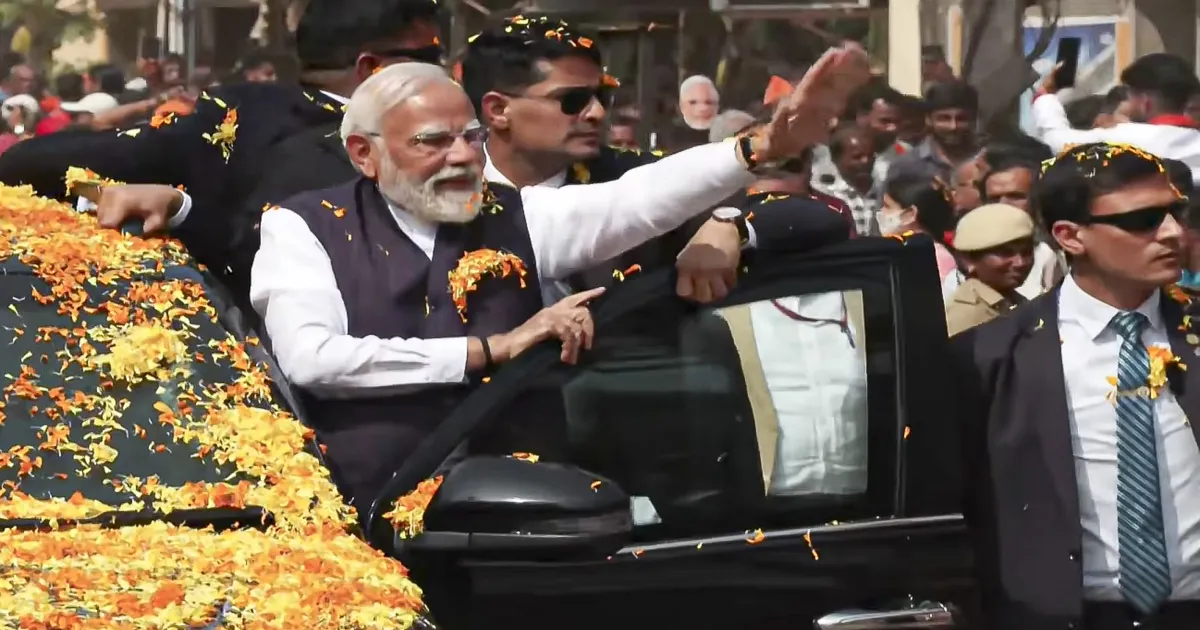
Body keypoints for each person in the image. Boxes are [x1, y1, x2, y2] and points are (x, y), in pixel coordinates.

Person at [250, 47, 871, 509]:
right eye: (433, 142)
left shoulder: (515, 215)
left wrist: (757, 148)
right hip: (362, 527)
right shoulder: (303, 227)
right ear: (365, 154)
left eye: (469, 138)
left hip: (527, 526)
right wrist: (490, 350)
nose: (462, 156)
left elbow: (635, 200)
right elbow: (313, 359)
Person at [0, 0, 446, 304]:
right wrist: (177, 210)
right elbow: (53, 160)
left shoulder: (451, 133)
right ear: (372, 68)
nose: (445, 73)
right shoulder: (255, 124)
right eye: (430, 57)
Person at [952, 142, 1200, 629]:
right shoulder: (990, 357)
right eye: (1143, 220)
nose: (1173, 232)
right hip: (1062, 616)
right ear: (1070, 236)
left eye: (1177, 213)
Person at [1031, 53, 1200, 181]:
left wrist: (1045, 95)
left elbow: (1056, 141)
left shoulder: (1124, 138)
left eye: (1129, 95)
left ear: (1145, 102)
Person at [979, 147, 1066, 299]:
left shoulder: (1058, 252)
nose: (1003, 205)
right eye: (994, 199)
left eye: (1015, 196)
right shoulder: (972, 256)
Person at [944, 203, 1035, 336]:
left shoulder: (1013, 302)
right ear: (968, 260)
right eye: (1006, 253)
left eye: (1027, 252)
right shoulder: (966, 316)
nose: (1020, 263)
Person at [878, 163, 958, 281]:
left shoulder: (936, 258)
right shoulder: (902, 250)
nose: (881, 212)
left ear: (910, 214)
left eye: (887, 206)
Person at [890, 80, 980, 184]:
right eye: (944, 118)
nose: (953, 127)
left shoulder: (986, 162)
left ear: (973, 120)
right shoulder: (906, 167)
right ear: (928, 120)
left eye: (961, 119)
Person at [812, 124, 878, 236]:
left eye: (871, 155)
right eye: (857, 157)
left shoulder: (883, 188)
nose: (866, 161)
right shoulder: (824, 194)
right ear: (836, 158)